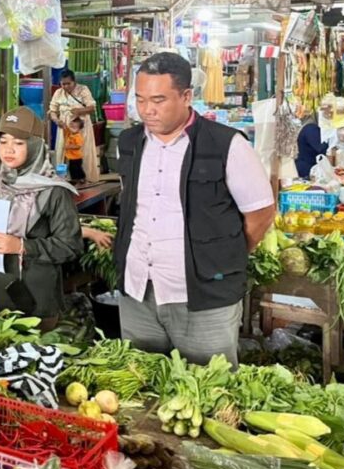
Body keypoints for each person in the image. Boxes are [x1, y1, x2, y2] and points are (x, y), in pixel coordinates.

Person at [114, 52, 275, 368]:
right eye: (140, 99)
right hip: (138, 290)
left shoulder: (227, 144)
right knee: (140, 387)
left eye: (158, 100)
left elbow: (261, 213)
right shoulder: (129, 142)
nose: (147, 109)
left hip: (203, 298)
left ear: (187, 96)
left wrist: (221, 258)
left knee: (210, 395)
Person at [0, 106, 83, 330]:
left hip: (32, 304)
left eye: (19, 143)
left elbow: (71, 245)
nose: (9, 149)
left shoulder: (53, 191)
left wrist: (22, 245)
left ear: (35, 146)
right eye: (3, 141)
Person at [49, 70, 99, 183]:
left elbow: (92, 108)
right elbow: (52, 111)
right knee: (63, 151)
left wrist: (79, 111)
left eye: (68, 83)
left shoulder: (83, 90)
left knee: (81, 151)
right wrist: (57, 121)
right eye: (63, 84)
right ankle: (64, 178)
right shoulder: (58, 93)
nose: (66, 86)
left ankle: (85, 177)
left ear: (74, 82)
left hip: (80, 127)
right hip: (64, 128)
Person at [64, 118, 86, 183]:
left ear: (79, 129)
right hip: (71, 157)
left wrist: (69, 147)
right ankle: (74, 179)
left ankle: (82, 177)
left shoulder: (78, 136)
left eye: (74, 128)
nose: (72, 129)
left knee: (78, 168)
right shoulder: (70, 134)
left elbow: (78, 146)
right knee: (72, 168)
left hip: (77, 157)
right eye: (71, 127)